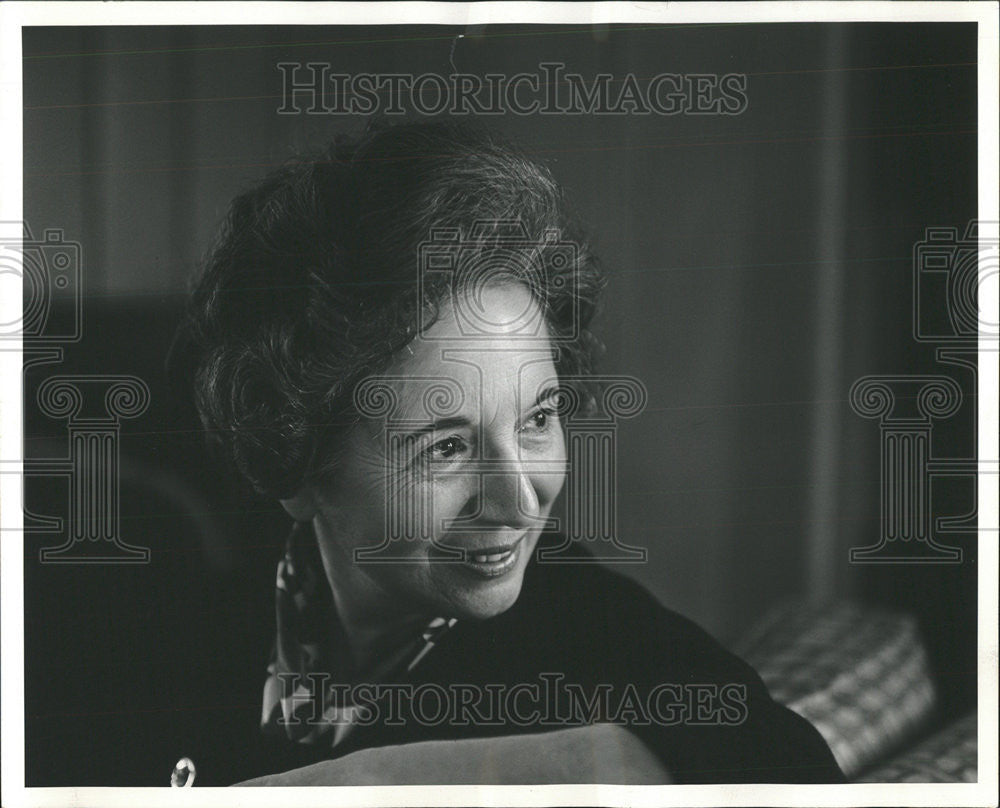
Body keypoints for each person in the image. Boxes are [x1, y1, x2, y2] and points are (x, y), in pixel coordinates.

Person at [176, 119, 845, 785]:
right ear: (296, 464)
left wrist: (362, 784)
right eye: (445, 447)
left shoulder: (595, 634)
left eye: (538, 417)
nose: (522, 502)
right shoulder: (193, 626)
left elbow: (793, 773)